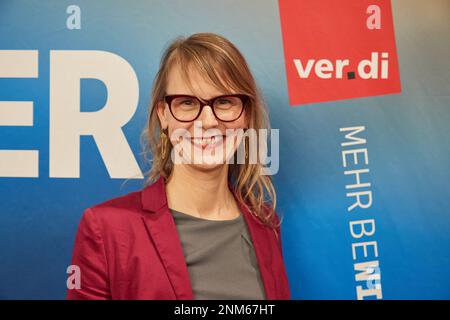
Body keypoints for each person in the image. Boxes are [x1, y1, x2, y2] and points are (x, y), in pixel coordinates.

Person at [67, 32, 290, 300]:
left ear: (246, 114)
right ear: (163, 115)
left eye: (224, 102)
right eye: (187, 102)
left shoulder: (265, 223)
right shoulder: (106, 228)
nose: (207, 121)